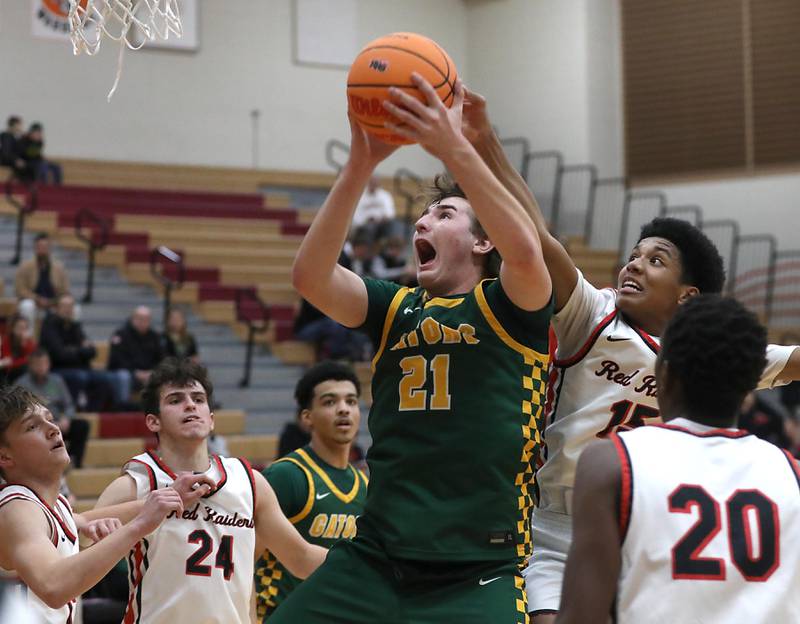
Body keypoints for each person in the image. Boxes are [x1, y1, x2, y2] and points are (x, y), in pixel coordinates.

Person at [457, 87, 800, 623]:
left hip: (649, 513)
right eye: (634, 256)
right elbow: (536, 234)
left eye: (655, 261)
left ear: (688, 295)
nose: (634, 266)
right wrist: (484, 141)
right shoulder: (591, 313)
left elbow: (794, 360)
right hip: (555, 522)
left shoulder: (706, 353)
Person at [272, 74, 552, 624]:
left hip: (478, 568)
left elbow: (526, 250)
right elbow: (310, 275)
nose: (422, 221)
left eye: (444, 215)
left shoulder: (512, 304)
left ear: (482, 240)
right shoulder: (395, 307)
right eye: (422, 217)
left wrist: (456, 147)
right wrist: (359, 166)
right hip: (375, 560)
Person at [557, 295, 800, 623]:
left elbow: (582, 616)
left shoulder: (611, 462)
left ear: (664, 375)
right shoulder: (792, 473)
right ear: (748, 391)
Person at [94, 357, 327, 624]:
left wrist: (367, 560)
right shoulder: (137, 483)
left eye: (198, 399)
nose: (190, 405)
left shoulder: (249, 482)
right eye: (175, 400)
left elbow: (300, 558)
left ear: (212, 419)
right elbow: (78, 549)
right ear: (153, 422)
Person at [0, 385, 196, 623]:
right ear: (4, 457)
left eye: (50, 420)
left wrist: (170, 496)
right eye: (32, 426)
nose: (53, 429)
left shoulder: (53, 506)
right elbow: (53, 586)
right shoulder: (17, 507)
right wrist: (141, 525)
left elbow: (80, 521)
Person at [255, 361, 367, 621]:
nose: (343, 410)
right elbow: (246, 556)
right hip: (278, 614)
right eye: (330, 402)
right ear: (307, 417)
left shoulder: (365, 486)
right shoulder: (286, 475)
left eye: (351, 402)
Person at [40, 294, 119, 411]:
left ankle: (92, 412)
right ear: (57, 308)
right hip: (57, 368)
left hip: (79, 367)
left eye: (71, 306)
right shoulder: (49, 326)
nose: (68, 309)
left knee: (103, 378)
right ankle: (73, 410)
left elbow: (92, 351)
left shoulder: (75, 325)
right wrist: (81, 350)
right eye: (65, 306)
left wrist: (73, 350)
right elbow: (59, 355)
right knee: (80, 377)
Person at [15, 349, 90, 468]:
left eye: (44, 364)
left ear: (49, 364)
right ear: (31, 365)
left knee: (82, 426)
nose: (41, 367)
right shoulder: (21, 384)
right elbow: (19, 411)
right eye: (38, 364)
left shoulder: (57, 381)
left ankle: (74, 462)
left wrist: (66, 418)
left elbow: (69, 404)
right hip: (38, 426)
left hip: (58, 422)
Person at [107, 305, 164, 402]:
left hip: (148, 374)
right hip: (126, 372)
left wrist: (152, 372)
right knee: (123, 377)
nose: (143, 322)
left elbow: (162, 358)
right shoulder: (121, 334)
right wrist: (135, 372)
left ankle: (156, 409)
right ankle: (122, 408)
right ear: (133, 318)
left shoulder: (155, 336)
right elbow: (116, 359)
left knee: (162, 376)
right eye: (140, 319)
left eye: (146, 319)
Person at [14, 233, 70, 328]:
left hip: (53, 302)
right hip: (33, 301)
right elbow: (20, 289)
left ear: (50, 248)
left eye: (45, 247)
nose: (43, 250)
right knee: (27, 306)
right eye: (40, 247)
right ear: (35, 248)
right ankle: (29, 339)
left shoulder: (59, 268)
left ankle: (68, 338)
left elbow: (65, 289)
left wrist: (55, 301)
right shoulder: (25, 267)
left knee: (74, 308)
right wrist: (37, 299)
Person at [0, 314, 36, 385]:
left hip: (23, 372)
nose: (23, 331)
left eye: (25, 328)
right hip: (9, 373)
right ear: (13, 328)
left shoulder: (29, 342)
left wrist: (24, 345)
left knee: (25, 368)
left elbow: (31, 360)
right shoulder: (7, 341)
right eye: (20, 327)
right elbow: (7, 364)